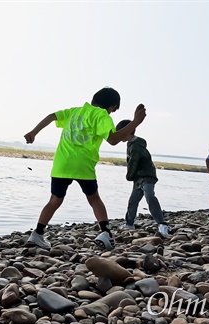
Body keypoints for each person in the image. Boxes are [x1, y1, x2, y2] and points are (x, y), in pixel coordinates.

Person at [23, 87, 146, 250]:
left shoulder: (75, 112)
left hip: (62, 163)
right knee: (94, 198)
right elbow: (113, 139)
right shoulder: (101, 115)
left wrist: (34, 132)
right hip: (83, 164)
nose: (111, 114)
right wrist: (136, 122)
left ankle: (37, 234)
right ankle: (106, 233)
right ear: (112, 107)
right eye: (113, 111)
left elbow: (53, 116)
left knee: (55, 199)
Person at [115, 119, 170, 238]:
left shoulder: (136, 145)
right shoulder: (130, 144)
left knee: (149, 196)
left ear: (127, 131)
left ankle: (162, 224)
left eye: (120, 132)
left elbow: (133, 162)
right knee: (133, 201)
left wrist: (129, 176)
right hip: (138, 178)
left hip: (147, 176)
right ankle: (129, 223)